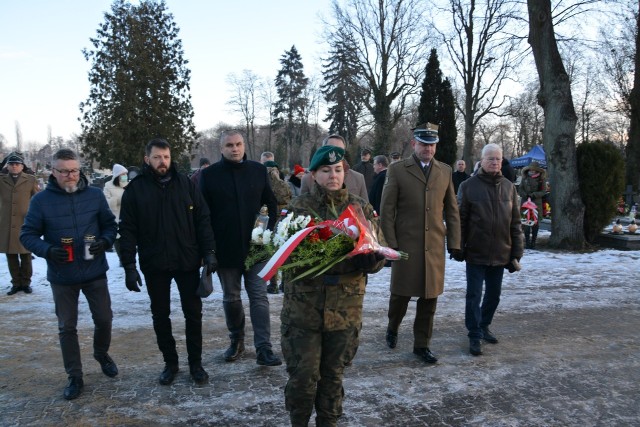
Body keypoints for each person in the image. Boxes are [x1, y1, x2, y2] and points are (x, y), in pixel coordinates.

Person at [281, 145, 385, 426]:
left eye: (338, 170)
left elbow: (379, 252)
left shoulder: (359, 207)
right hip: (304, 309)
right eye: (325, 170)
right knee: (303, 378)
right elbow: (281, 257)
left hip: (344, 309)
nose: (332, 175)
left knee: (332, 377)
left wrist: (370, 259)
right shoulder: (298, 208)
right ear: (313, 175)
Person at [20, 148, 118, 400]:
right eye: (63, 171)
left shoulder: (95, 195)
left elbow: (109, 225)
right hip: (62, 276)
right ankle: (75, 376)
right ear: (53, 172)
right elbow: (27, 235)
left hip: (94, 270)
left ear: (79, 170)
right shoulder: (41, 201)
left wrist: (105, 242)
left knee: (105, 319)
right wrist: (48, 250)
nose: (70, 175)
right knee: (67, 327)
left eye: (74, 170)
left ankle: (101, 353)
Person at [119, 138, 217, 386]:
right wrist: (129, 266)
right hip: (155, 263)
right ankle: (170, 363)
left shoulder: (186, 184)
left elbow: (203, 220)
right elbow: (128, 230)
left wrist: (209, 252)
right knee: (160, 315)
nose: (162, 162)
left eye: (166, 157)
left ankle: (196, 363)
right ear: (146, 159)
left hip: (186, 260)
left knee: (193, 314)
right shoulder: (136, 189)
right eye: (157, 157)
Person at [380, 123, 461, 364]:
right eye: (423, 143)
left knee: (429, 298)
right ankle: (392, 327)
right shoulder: (397, 170)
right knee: (400, 296)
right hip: (406, 245)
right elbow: (387, 210)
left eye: (432, 144)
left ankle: (422, 344)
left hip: (434, 246)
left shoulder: (445, 171)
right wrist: (391, 244)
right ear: (414, 144)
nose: (428, 148)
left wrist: (455, 242)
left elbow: (452, 210)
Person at [200, 130, 282, 367]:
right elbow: (203, 214)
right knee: (231, 298)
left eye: (238, 144)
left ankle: (264, 348)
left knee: (259, 297)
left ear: (244, 145)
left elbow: (271, 203)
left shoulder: (258, 170)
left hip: (256, 248)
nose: (234, 149)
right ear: (221, 149)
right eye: (229, 145)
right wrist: (209, 249)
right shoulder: (210, 175)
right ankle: (236, 341)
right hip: (225, 249)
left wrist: (267, 229)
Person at [455, 143, 524, 356]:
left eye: (498, 159)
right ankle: (474, 333)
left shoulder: (509, 187)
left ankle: (484, 325)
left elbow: (515, 222)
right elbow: (460, 220)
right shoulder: (468, 186)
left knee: (494, 295)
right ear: (482, 161)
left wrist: (516, 252)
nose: (495, 162)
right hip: (476, 251)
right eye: (490, 159)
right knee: (474, 295)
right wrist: (457, 246)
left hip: (501, 252)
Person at [1, 152, 39, 295]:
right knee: (11, 255)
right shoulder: (2, 180)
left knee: (26, 254)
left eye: (17, 164)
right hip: (6, 222)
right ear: (8, 167)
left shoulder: (30, 180)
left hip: (24, 222)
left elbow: (37, 198)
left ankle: (26, 282)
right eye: (11, 164)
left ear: (22, 166)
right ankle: (16, 283)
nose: (14, 166)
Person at [300, 134, 369, 202]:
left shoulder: (358, 178)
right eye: (331, 148)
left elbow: (365, 209)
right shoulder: (307, 179)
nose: (335, 153)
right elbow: (302, 207)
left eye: (339, 150)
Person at [261, 158, 292, 294]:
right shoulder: (284, 185)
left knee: (272, 252)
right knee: (284, 251)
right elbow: (290, 198)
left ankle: (273, 284)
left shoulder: (264, 184)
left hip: (269, 218)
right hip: (284, 218)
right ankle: (284, 283)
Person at [518, 161, 547, 249]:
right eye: (531, 170)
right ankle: (527, 242)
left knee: (535, 223)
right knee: (526, 223)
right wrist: (524, 194)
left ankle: (533, 242)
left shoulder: (541, 180)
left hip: (536, 204)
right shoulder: (525, 178)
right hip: (525, 203)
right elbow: (520, 188)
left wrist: (534, 194)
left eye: (534, 170)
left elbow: (543, 191)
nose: (532, 171)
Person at [103, 163, 128, 260]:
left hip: (127, 216)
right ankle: (121, 258)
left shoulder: (128, 184)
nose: (125, 176)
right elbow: (106, 202)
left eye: (126, 174)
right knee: (117, 239)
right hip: (116, 216)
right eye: (123, 174)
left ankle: (128, 257)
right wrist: (118, 200)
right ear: (117, 175)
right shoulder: (108, 186)